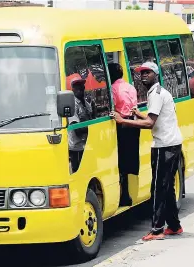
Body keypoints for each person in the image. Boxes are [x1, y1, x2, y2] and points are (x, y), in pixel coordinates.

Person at [111, 62, 183, 241]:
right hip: (172, 143)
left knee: (158, 188)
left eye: (147, 73)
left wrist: (123, 121)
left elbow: (150, 123)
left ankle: (157, 229)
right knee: (167, 188)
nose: (143, 76)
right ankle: (174, 226)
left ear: (155, 74)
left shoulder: (156, 95)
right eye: (141, 73)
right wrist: (139, 113)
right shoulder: (157, 93)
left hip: (164, 146)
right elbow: (154, 118)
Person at [108, 63, 140, 207]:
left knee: (120, 161)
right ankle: (128, 193)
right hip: (133, 124)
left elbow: (112, 108)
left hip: (122, 125)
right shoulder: (130, 87)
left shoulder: (113, 89)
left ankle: (124, 194)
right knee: (129, 159)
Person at [68, 77, 94, 174]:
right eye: (77, 85)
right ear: (73, 89)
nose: (80, 88)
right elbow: (76, 128)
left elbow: (92, 117)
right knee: (79, 174)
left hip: (88, 145)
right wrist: (93, 127)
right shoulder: (72, 104)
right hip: (77, 147)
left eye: (81, 85)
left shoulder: (86, 103)